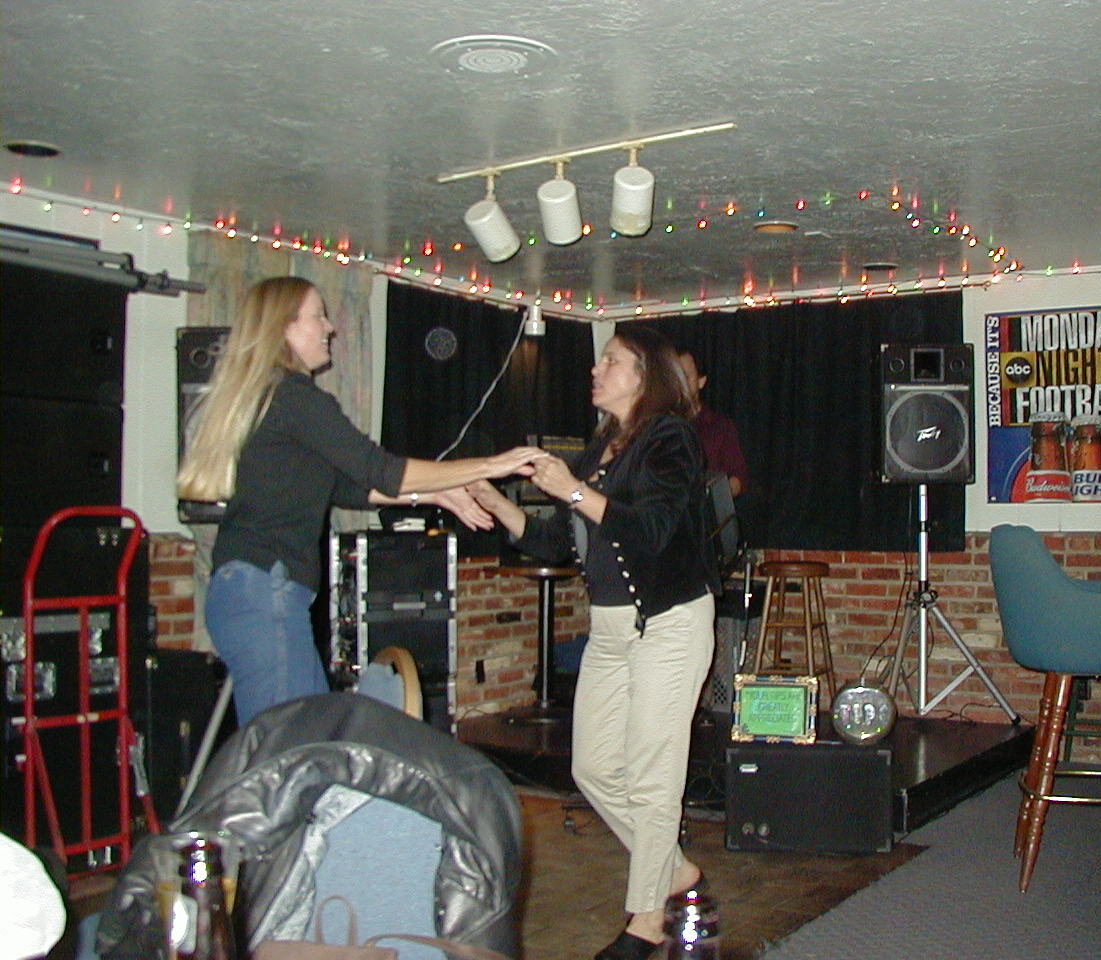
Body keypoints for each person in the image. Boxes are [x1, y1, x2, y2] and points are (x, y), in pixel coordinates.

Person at [176, 276, 543, 725]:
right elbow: (380, 470)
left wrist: (438, 493)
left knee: (300, 734)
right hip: (264, 590)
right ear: (285, 327)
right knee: (291, 742)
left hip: (249, 589)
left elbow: (347, 487)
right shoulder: (295, 397)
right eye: (318, 317)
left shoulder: (272, 398)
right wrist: (488, 465)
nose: (329, 327)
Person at [467, 326, 719, 960]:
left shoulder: (670, 438)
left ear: (644, 376)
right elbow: (557, 540)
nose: (596, 369)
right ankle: (677, 872)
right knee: (594, 768)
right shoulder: (600, 446)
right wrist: (495, 500)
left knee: (653, 778)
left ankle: (646, 922)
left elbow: (651, 530)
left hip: (668, 622)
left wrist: (572, 489)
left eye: (611, 360)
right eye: (600, 359)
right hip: (610, 629)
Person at [677, 349, 748, 496]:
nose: (680, 384)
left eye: (686, 377)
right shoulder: (655, 425)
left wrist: (714, 496)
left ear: (701, 381)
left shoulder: (720, 427)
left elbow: (739, 477)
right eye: (675, 377)